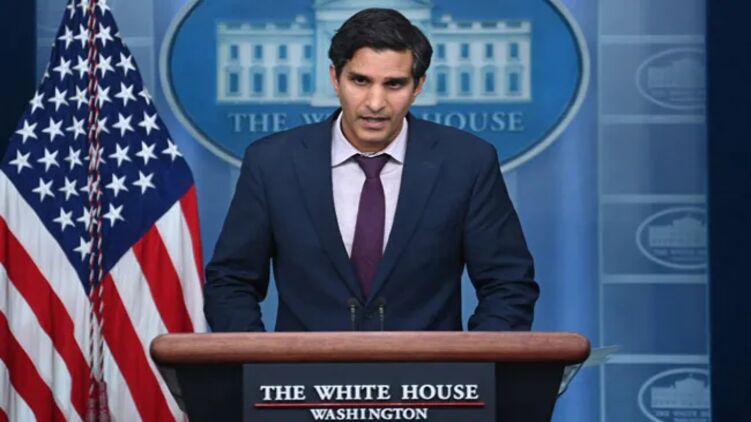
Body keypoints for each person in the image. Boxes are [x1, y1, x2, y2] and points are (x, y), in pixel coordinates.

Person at [204, 8, 539, 332]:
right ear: (335, 78)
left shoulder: (467, 163)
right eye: (360, 81)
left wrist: (473, 365)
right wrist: (261, 364)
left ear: (418, 86)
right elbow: (231, 282)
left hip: (430, 371)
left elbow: (508, 285)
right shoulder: (272, 163)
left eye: (394, 84)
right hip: (304, 370)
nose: (375, 103)